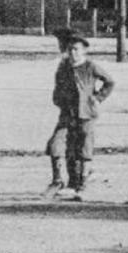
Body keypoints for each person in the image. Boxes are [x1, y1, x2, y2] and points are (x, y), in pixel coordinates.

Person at [48, 30, 113, 200]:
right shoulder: (64, 67)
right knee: (57, 143)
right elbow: (58, 86)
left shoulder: (90, 66)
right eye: (70, 49)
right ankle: (57, 180)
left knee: (83, 147)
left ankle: (81, 183)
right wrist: (58, 99)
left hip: (86, 114)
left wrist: (98, 98)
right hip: (67, 113)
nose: (72, 53)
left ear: (84, 50)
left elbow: (109, 81)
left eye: (76, 49)